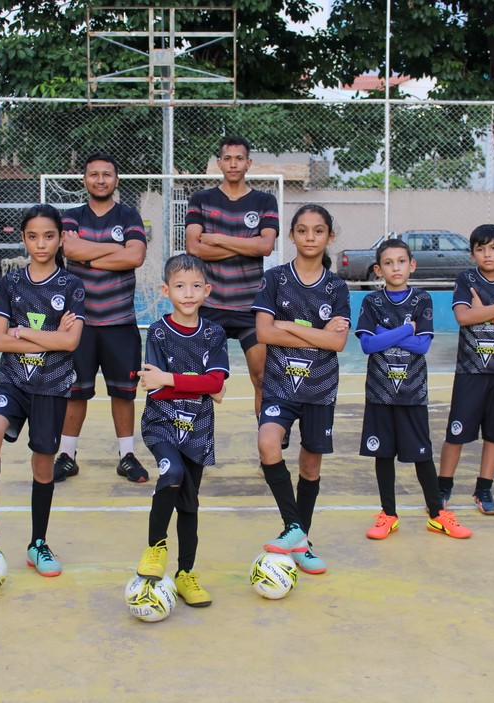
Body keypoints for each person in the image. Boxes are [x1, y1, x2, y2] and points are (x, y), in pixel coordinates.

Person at [0, 204, 85, 578]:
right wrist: (51, 337)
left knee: (43, 463)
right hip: (13, 382)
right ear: (24, 239)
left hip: (52, 386)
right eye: (33, 236)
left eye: (49, 236)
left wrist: (25, 332)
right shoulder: (11, 283)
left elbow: (72, 343)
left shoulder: (71, 286)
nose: (41, 243)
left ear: (61, 238)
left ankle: (38, 544)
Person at [252, 205, 350, 574]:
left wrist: (289, 326)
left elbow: (337, 345)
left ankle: (301, 540)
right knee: (267, 443)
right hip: (280, 385)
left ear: (329, 237)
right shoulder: (275, 279)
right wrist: (320, 334)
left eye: (319, 231)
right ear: (291, 235)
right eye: (303, 230)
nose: (310, 237)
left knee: (310, 467)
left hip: (320, 389)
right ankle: (294, 529)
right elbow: (264, 332)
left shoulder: (337, 287)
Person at [355, 239, 472, 540]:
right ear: (379, 270)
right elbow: (368, 344)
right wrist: (408, 329)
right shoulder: (372, 302)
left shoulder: (422, 300)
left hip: (413, 392)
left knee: (422, 454)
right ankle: (388, 514)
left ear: (412, 265)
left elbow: (423, 346)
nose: (396, 267)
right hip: (380, 393)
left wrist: (388, 333)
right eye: (389, 263)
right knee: (382, 455)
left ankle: (437, 514)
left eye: (401, 261)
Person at [135, 254, 229, 607]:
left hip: (198, 430)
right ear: (165, 291)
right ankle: (155, 547)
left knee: (189, 505)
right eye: (179, 286)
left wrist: (172, 379)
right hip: (160, 425)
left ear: (207, 290)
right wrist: (201, 385)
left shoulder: (214, 334)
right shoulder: (158, 333)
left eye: (194, 286)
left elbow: (218, 384)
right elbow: (154, 389)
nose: (187, 294)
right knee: (170, 473)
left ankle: (186, 573)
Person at [55, 152, 149, 483]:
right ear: (84, 180)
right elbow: (70, 251)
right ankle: (66, 455)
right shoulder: (71, 216)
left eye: (106, 174)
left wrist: (90, 257)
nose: (100, 179)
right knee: (75, 392)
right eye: (93, 174)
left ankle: (127, 456)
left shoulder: (128, 214)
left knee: (123, 393)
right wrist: (113, 251)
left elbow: (136, 256)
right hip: (77, 323)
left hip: (119, 321)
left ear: (116, 179)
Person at [439, 224, 494, 516]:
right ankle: (443, 487)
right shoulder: (466, 279)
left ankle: (484, 488)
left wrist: (486, 310)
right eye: (480, 249)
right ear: (473, 253)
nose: (487, 254)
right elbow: (464, 317)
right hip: (471, 370)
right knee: (456, 433)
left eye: (493, 248)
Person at [185, 135, 279, 418]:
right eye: (227, 158)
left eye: (239, 158)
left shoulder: (264, 200)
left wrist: (217, 239)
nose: (233, 163)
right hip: (210, 306)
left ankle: (268, 446)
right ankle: (192, 446)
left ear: (248, 163)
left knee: (263, 378)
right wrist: (244, 245)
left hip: (250, 307)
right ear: (219, 163)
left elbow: (265, 246)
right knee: (198, 381)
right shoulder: (201, 199)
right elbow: (193, 247)